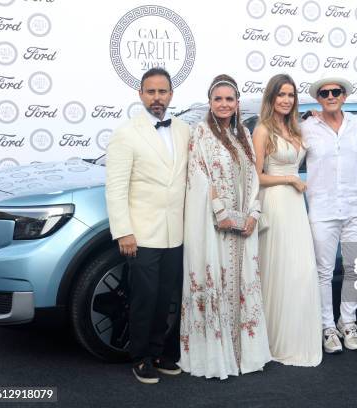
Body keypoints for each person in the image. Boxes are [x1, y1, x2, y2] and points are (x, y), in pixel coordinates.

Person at [178, 74, 271, 380]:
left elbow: (255, 178)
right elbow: (199, 178)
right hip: (216, 227)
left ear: (237, 103)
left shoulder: (243, 133)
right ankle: (218, 356)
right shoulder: (201, 133)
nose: (224, 104)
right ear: (210, 102)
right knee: (216, 281)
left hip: (243, 227)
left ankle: (245, 355)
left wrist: (254, 213)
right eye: (218, 99)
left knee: (242, 285)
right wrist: (221, 213)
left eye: (229, 99)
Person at [105, 67, 189, 384]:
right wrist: (123, 230)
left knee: (167, 297)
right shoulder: (126, 133)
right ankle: (139, 357)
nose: (157, 97)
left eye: (162, 91)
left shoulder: (183, 130)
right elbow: (115, 187)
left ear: (171, 94)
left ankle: (158, 353)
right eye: (151, 92)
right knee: (144, 299)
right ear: (141, 94)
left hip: (176, 232)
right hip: (142, 232)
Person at [252, 73, 323, 366]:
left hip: (295, 206)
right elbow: (256, 176)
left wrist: (318, 117)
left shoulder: (296, 127)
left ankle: (297, 334)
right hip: (278, 203)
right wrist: (290, 180)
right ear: (271, 98)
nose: (286, 100)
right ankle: (274, 339)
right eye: (280, 94)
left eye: (290, 95)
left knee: (301, 273)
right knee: (280, 272)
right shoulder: (262, 130)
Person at [301, 76, 357, 354]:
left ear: (343, 95)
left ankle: (348, 321)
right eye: (325, 93)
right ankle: (327, 327)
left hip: (355, 207)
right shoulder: (306, 127)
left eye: (336, 91)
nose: (330, 96)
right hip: (322, 209)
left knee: (356, 268)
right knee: (324, 272)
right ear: (318, 98)